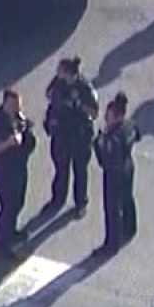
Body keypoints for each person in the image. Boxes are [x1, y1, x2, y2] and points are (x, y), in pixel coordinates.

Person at [0, 89, 37, 257]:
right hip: (3, 169)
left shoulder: (18, 118)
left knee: (18, 202)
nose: (18, 109)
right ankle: (1, 243)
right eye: (14, 105)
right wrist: (8, 143)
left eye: (19, 106)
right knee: (8, 206)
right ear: (6, 102)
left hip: (19, 167)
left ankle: (10, 232)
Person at [41, 57, 99, 215]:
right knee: (61, 169)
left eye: (60, 71)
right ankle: (58, 199)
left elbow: (94, 113)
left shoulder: (85, 88)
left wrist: (79, 104)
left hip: (79, 136)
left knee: (80, 170)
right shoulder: (58, 83)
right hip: (61, 134)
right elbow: (49, 94)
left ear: (69, 73)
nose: (57, 73)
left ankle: (80, 203)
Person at [93, 93, 140, 253]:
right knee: (127, 198)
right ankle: (130, 227)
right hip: (128, 167)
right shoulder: (129, 125)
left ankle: (112, 243)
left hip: (114, 173)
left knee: (112, 208)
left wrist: (99, 142)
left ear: (115, 115)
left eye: (108, 114)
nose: (106, 117)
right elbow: (137, 135)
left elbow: (106, 157)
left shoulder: (112, 136)